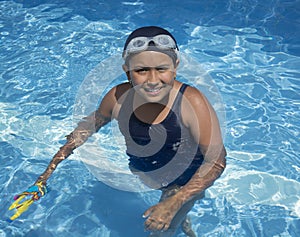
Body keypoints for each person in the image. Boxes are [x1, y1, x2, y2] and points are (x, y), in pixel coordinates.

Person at [9, 26, 226, 237]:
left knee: (161, 229)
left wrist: (176, 200)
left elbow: (216, 161)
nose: (152, 80)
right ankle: (180, 218)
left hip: (184, 179)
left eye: (161, 69)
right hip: (146, 170)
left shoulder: (192, 103)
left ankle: (177, 215)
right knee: (169, 210)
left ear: (175, 66)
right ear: (127, 71)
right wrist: (45, 175)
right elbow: (85, 129)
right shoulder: (117, 99)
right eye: (141, 70)